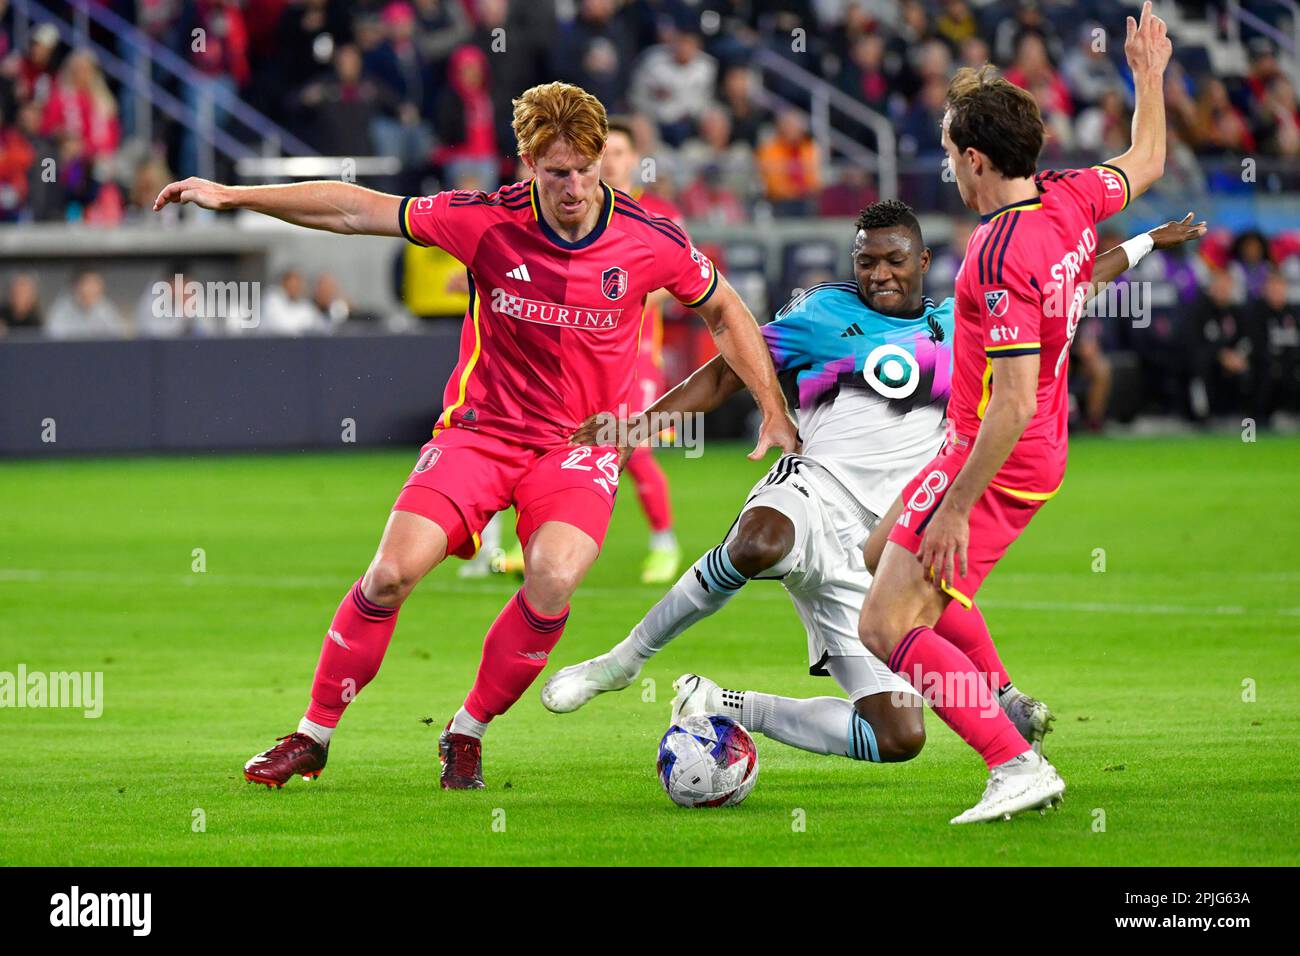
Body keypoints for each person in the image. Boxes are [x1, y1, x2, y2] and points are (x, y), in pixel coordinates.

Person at [153, 81, 798, 791]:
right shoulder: (483, 219)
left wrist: (771, 404)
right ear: (528, 164)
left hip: (578, 446)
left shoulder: (648, 240)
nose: (576, 187)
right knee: (391, 573)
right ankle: (312, 735)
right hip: (480, 433)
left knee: (552, 580)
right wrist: (237, 197)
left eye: (587, 169)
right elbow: (356, 207)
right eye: (558, 173)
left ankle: (467, 731)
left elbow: (727, 312)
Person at [542, 201, 1201, 767]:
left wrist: (1144, 243)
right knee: (759, 542)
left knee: (897, 735)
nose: (878, 274)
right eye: (867, 262)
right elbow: (722, 374)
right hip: (815, 489)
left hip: (886, 554)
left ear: (921, 263)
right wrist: (638, 430)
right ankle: (622, 662)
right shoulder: (821, 311)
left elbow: (1070, 288)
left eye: (892, 261)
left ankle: (717, 702)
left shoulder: (964, 323)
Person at [857, 2, 1173, 824]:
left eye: (948, 157)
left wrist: (957, 505)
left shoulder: (998, 252)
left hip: (998, 450)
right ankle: (1002, 696)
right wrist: (1149, 77)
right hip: (1022, 447)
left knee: (886, 625)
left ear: (973, 159)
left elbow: (1016, 397)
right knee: (876, 554)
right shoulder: (1068, 198)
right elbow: (1147, 157)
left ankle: (1013, 758)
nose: (947, 172)